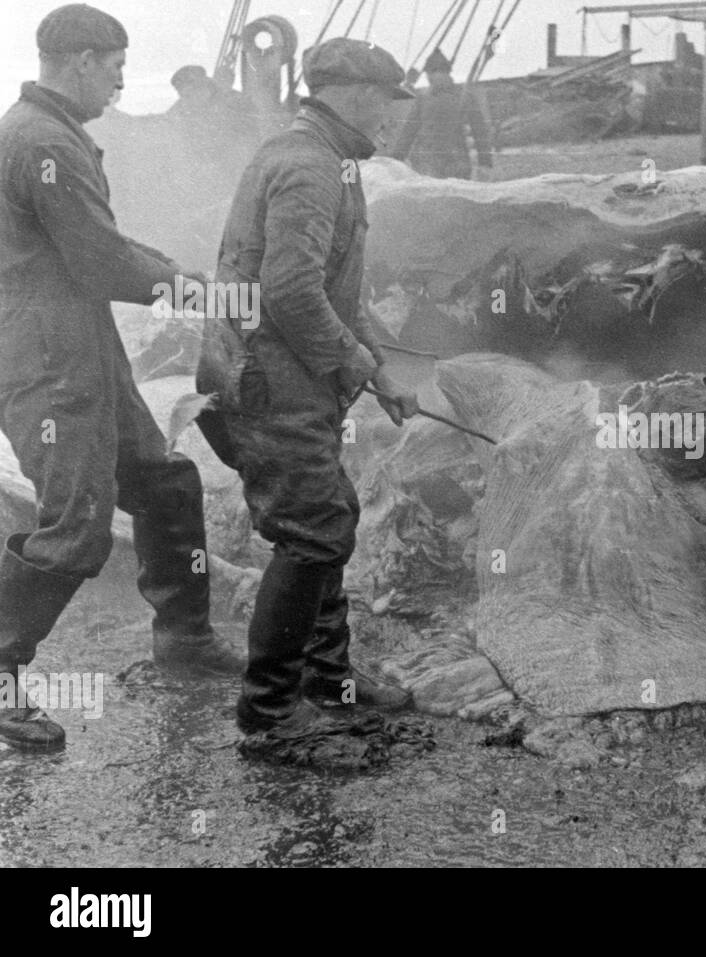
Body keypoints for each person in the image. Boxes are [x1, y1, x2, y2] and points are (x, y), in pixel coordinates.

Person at [0, 3, 244, 752]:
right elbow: (101, 261)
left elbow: (97, 243)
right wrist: (193, 289)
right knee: (76, 527)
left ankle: (185, 639)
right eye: (112, 65)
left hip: (80, 344)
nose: (120, 79)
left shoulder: (44, 131)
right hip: (46, 358)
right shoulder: (42, 141)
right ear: (78, 60)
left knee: (163, 480)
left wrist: (175, 271)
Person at [195, 37, 421, 742]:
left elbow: (333, 290)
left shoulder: (325, 158)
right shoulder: (309, 165)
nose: (390, 116)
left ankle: (331, 679)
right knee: (313, 529)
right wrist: (356, 363)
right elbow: (291, 291)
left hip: (288, 373)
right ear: (351, 92)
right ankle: (268, 709)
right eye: (386, 99)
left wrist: (377, 367)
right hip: (269, 378)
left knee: (329, 515)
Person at [390, 49, 493, 179]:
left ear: (437, 73)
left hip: (439, 165)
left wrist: (396, 160)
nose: (428, 78)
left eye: (430, 73)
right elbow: (481, 132)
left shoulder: (425, 99)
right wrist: (485, 163)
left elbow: (408, 132)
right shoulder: (462, 96)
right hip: (448, 163)